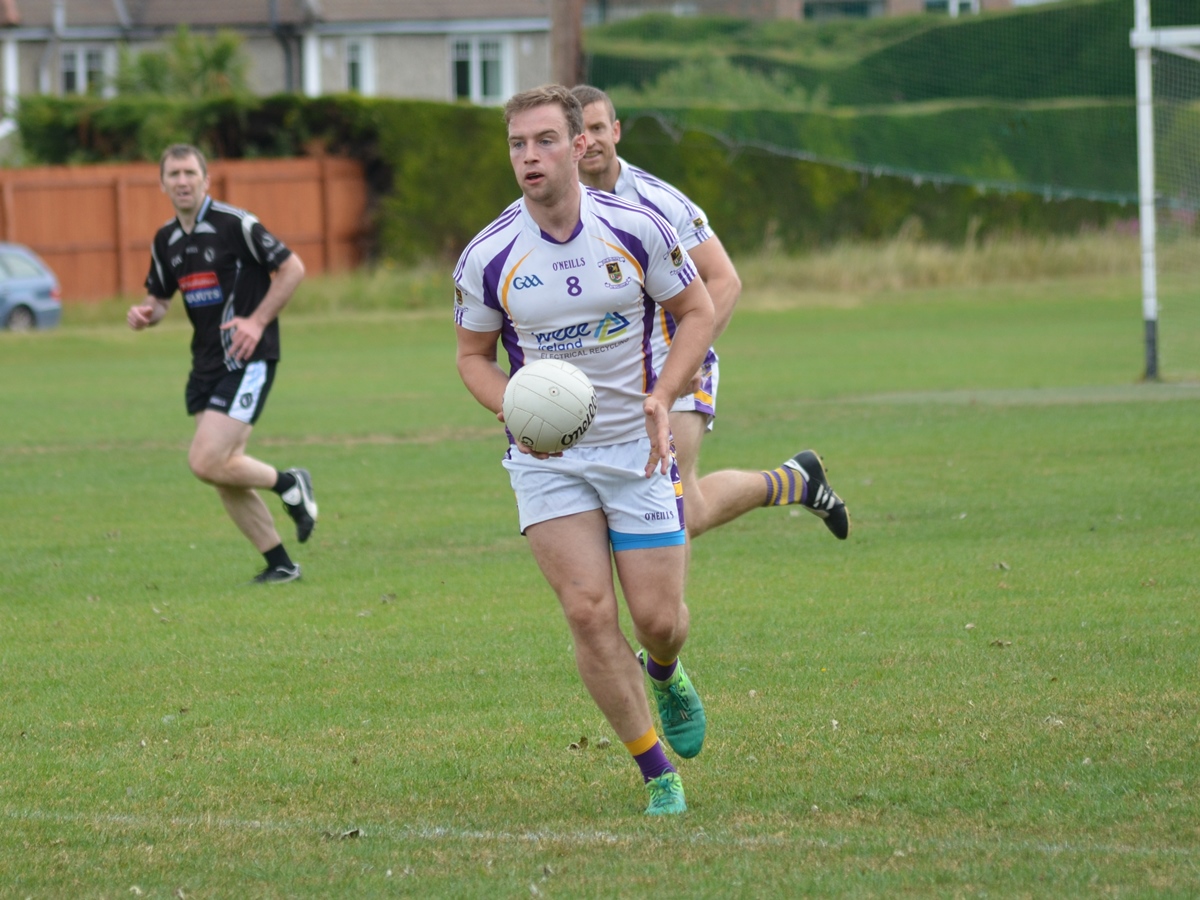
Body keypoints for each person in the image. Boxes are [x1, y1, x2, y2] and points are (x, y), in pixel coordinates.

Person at [453, 85, 716, 816]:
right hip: (547, 461)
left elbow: (695, 310)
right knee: (587, 610)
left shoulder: (638, 227)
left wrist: (665, 394)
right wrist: (516, 405)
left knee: (658, 620)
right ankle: (656, 770)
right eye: (516, 144)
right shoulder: (490, 254)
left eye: (542, 141)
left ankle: (664, 672)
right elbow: (471, 357)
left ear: (578, 146)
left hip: (636, 446)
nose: (529, 156)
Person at [571, 85, 850, 541]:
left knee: (668, 506)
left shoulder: (660, 202)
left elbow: (724, 280)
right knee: (685, 510)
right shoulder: (556, 212)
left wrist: (691, 356)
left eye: (598, 127)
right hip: (611, 376)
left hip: (675, 366)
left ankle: (664, 614)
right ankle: (794, 481)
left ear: (616, 131)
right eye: (580, 132)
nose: (591, 140)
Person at [127, 144, 317, 584]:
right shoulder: (166, 240)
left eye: (190, 172)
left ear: (206, 179)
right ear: (162, 184)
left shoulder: (236, 224)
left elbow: (293, 269)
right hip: (205, 363)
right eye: (173, 174)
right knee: (222, 470)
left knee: (206, 460)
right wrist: (144, 314)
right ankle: (281, 564)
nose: (182, 181)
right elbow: (158, 301)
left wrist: (257, 321)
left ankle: (289, 483)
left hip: (247, 357)